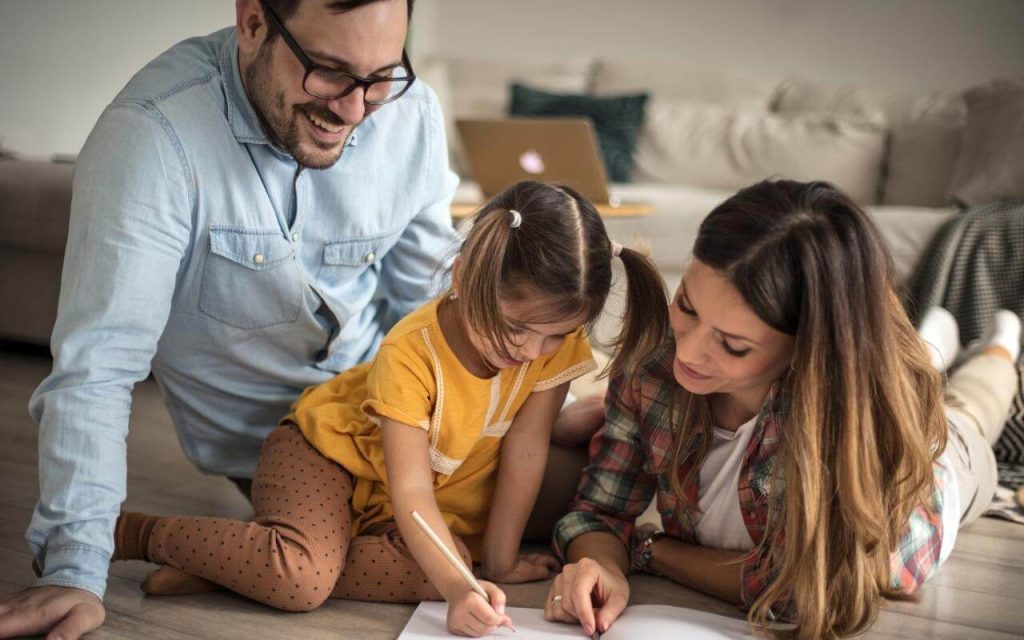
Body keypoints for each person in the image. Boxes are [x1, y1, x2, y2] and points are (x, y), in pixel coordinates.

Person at [0, 1, 460, 638]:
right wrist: (76, 566)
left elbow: (431, 306)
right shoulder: (152, 137)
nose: (356, 111)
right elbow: (97, 368)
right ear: (252, 24)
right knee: (436, 553)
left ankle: (229, 561)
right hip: (279, 447)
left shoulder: (410, 113)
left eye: (380, 75)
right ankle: (223, 549)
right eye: (328, 70)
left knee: (552, 494)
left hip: (389, 412)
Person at [105, 180, 667, 637]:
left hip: (424, 496)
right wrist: (458, 587)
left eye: (553, 337)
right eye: (517, 328)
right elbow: (412, 494)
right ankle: (139, 533)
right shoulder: (411, 351)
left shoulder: (553, 344)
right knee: (319, 581)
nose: (529, 351)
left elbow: (525, 449)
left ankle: (244, 567)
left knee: (446, 571)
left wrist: (497, 563)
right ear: (463, 275)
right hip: (327, 459)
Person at [543, 180, 1022, 640]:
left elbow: (807, 592)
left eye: (732, 346)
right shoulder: (653, 364)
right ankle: (937, 338)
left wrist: (650, 551)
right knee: (934, 375)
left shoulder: (851, 418)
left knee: (969, 415)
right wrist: (601, 565)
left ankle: (1001, 345)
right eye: (687, 305)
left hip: (947, 470)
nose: (685, 354)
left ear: (807, 347)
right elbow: (598, 513)